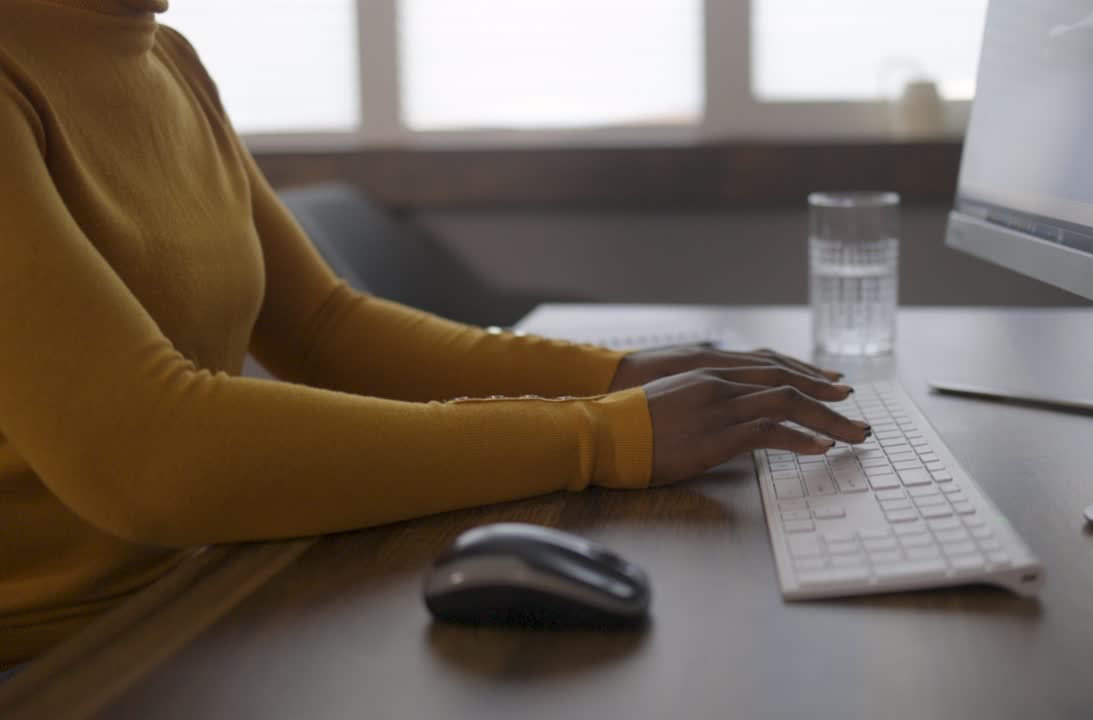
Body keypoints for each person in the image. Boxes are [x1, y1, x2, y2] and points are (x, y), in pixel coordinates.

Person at [0, 0, 870, 672]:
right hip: (54, 663)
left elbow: (324, 326)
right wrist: (600, 436)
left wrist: (618, 374)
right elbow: (153, 456)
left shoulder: (168, 59)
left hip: (200, 596)